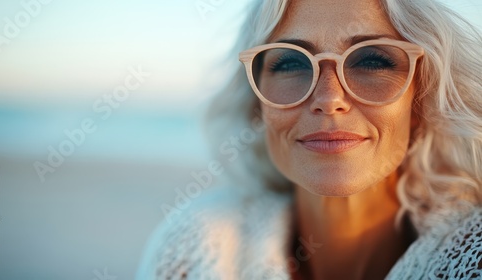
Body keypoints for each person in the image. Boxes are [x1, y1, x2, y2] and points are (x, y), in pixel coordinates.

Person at [137, 0, 482, 279]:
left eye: (371, 60)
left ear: (420, 101)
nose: (329, 98)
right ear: (258, 105)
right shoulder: (195, 246)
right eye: (291, 64)